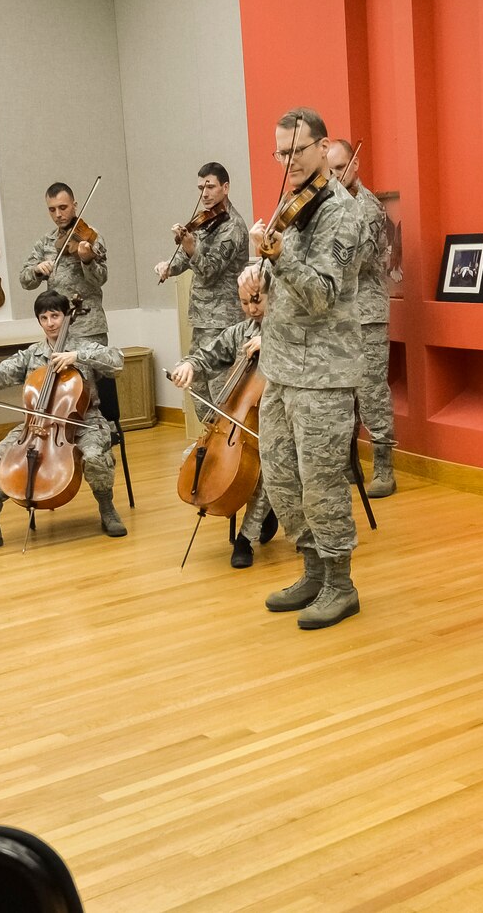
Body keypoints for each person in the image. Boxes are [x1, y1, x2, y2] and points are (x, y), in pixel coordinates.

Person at [236, 107, 366, 630]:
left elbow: (322, 295)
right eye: (280, 152)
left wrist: (281, 258)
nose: (287, 160)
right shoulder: (292, 204)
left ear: (322, 147)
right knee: (284, 482)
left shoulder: (342, 212)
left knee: (322, 484)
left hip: (325, 376)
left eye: (295, 150)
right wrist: (256, 275)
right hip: (282, 367)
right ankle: (311, 570)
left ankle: (341, 583)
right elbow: (280, 281)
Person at [0, 290, 127, 553]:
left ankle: (107, 508)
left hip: (87, 420)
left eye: (55, 315)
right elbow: (3, 369)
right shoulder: (32, 354)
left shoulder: (84, 346)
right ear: (39, 321)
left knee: (96, 456)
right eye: (44, 317)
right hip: (37, 423)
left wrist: (77, 356)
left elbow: (117, 362)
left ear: (66, 316)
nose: (51, 322)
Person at [168, 287, 271, 568]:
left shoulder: (296, 330)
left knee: (265, 473)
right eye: (244, 302)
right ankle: (266, 512)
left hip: (283, 426)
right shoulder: (241, 332)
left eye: (257, 300)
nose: (251, 309)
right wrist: (189, 365)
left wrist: (273, 343)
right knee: (193, 458)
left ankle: (245, 540)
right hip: (242, 428)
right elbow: (207, 356)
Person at [327, 139, 399, 498]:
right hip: (339, 316)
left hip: (367, 314)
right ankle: (349, 463)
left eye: (340, 168)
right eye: (330, 170)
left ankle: (384, 468)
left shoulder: (367, 208)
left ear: (356, 164)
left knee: (371, 392)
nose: (335, 176)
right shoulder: (333, 206)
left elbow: (356, 261)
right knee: (343, 394)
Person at [158, 163, 249, 406]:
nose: (204, 194)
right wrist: (169, 266)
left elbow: (209, 270)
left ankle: (224, 443)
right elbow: (184, 254)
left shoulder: (233, 227)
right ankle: (208, 442)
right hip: (201, 319)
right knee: (197, 389)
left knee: (221, 392)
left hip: (224, 321)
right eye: (200, 188)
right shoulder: (205, 220)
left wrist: (190, 248)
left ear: (225, 187)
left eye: (210, 186)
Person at [20, 183, 111, 344]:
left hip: (88, 327)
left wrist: (87, 260)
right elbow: (24, 281)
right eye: (52, 209)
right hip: (58, 329)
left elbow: (101, 279)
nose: (58, 214)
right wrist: (37, 270)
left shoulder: (91, 236)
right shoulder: (46, 242)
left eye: (63, 207)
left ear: (74, 205)